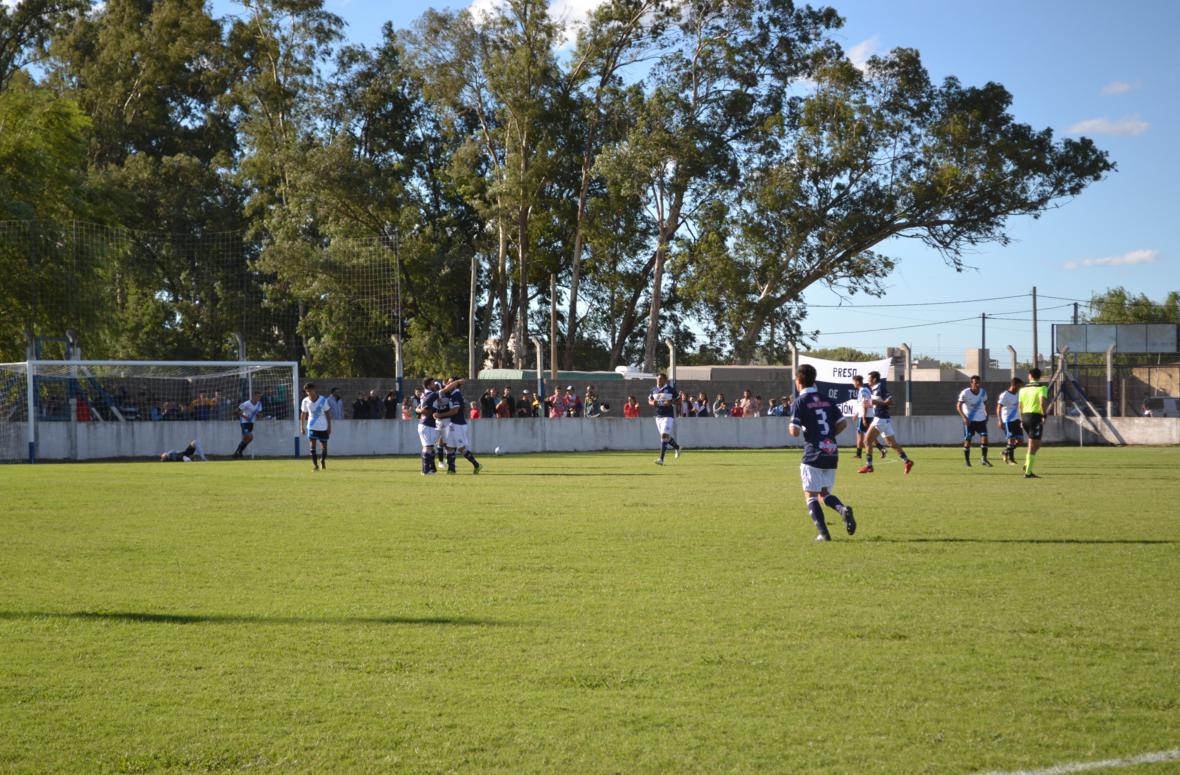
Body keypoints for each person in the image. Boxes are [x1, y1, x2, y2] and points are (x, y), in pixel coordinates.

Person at [788, 363, 856, 542]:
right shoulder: (827, 399)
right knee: (824, 493)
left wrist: (798, 428)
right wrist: (828, 437)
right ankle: (842, 509)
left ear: (799, 380)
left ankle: (824, 534)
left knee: (810, 495)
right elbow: (843, 423)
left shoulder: (800, 402)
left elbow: (794, 432)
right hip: (831, 452)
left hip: (813, 453)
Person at [859, 371, 914, 475]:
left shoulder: (880, 388)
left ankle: (869, 466)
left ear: (874, 379)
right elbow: (878, 404)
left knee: (866, 441)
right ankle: (907, 461)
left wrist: (876, 402)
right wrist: (870, 404)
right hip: (884, 419)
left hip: (880, 419)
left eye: (869, 378)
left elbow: (890, 401)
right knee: (892, 444)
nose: (867, 380)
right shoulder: (874, 389)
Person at [438, 377, 481, 475]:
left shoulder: (456, 394)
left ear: (455, 385)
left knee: (461, 448)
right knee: (449, 447)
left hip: (458, 425)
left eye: (450, 382)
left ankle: (476, 465)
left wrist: (440, 415)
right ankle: (451, 469)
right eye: (448, 382)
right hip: (453, 424)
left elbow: (455, 411)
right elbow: (443, 391)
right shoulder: (451, 394)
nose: (448, 384)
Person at [1018, 367, 1049, 479]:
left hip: (1025, 417)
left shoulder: (1022, 390)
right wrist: (1044, 415)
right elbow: (1042, 402)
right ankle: (1028, 472)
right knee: (1033, 445)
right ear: (1039, 377)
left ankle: (1027, 464)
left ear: (1029, 376)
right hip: (1035, 417)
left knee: (1037, 444)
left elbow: (1020, 406)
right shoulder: (1042, 388)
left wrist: (1021, 419)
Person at [957, 375, 992, 467]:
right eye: (975, 383)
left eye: (978, 383)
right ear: (971, 383)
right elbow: (958, 406)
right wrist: (964, 417)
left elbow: (985, 404)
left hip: (980, 419)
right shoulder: (965, 393)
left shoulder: (983, 392)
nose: (977, 385)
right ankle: (967, 461)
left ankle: (984, 459)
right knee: (968, 439)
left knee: (984, 436)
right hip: (969, 420)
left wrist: (987, 414)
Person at [648, 373, 682, 465]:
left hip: (668, 416)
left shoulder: (670, 389)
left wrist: (671, 402)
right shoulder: (653, 390)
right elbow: (650, 400)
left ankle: (661, 459)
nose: (658, 380)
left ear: (665, 380)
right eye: (657, 379)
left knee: (664, 435)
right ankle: (677, 447)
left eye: (661, 379)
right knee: (665, 437)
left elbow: (679, 400)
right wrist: (653, 403)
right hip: (658, 416)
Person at [851, 375, 886, 460]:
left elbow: (865, 404)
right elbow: (862, 404)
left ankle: (859, 455)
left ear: (857, 382)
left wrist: (863, 418)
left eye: (853, 382)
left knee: (862, 435)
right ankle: (881, 449)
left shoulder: (863, 391)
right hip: (867, 415)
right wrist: (857, 414)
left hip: (865, 416)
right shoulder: (865, 390)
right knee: (866, 435)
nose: (853, 384)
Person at [300, 382, 332, 471]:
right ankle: (315, 465)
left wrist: (329, 427)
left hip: (323, 427)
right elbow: (303, 413)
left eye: (310, 391)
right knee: (312, 447)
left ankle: (322, 460)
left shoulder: (323, 400)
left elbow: (327, 413)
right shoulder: (305, 401)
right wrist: (302, 427)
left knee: (324, 447)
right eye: (307, 391)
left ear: (314, 390)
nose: (309, 393)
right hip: (311, 426)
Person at [996, 377, 1024, 466]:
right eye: (1019, 386)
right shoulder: (1005, 395)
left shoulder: (1018, 394)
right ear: (1014, 385)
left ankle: (1005, 452)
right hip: (1008, 420)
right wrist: (1000, 420)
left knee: (1020, 441)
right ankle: (1011, 460)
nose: (1019, 388)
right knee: (1011, 440)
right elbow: (998, 408)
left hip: (1017, 420)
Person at [232, 389, 264, 459]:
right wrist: (244, 416)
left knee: (247, 439)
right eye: (258, 396)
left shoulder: (259, 404)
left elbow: (260, 413)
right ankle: (239, 452)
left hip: (251, 423)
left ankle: (237, 452)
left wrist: (260, 415)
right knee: (250, 437)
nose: (259, 398)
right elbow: (236, 411)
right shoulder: (247, 403)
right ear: (254, 396)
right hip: (244, 422)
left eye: (260, 397)